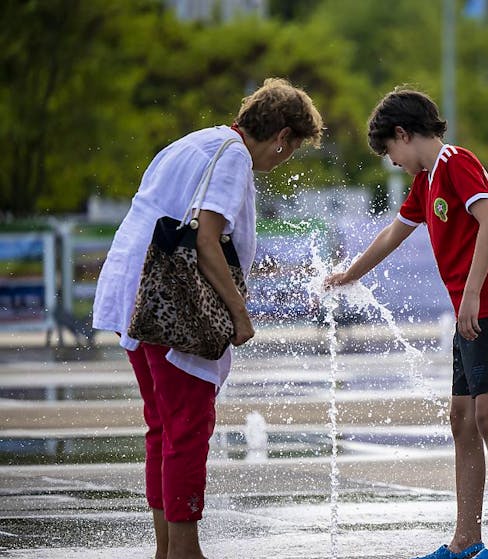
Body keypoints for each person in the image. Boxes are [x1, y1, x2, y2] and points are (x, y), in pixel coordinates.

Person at [92, 78, 323, 559]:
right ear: (283, 136)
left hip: (134, 294)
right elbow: (205, 238)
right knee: (188, 427)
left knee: (162, 425)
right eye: (293, 148)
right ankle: (187, 551)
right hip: (172, 304)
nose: (285, 159)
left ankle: (167, 548)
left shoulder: (195, 141)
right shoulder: (234, 156)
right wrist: (240, 315)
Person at [325, 88, 488, 559]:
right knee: (462, 419)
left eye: (389, 151)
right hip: (469, 311)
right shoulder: (426, 180)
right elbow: (395, 231)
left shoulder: (456, 162)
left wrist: (473, 292)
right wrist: (350, 274)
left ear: (403, 134)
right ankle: (465, 538)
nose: (392, 161)